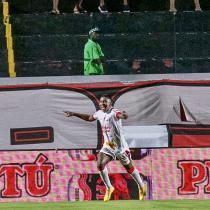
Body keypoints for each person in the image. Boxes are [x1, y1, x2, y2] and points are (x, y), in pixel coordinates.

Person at [64, 95, 147, 202]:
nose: (102, 103)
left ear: (110, 104)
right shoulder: (99, 113)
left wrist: (125, 115)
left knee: (129, 168)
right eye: (101, 101)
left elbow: (122, 115)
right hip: (108, 146)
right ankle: (109, 188)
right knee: (99, 164)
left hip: (120, 147)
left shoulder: (114, 112)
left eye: (105, 102)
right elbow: (89, 118)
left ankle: (141, 186)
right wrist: (74, 114)